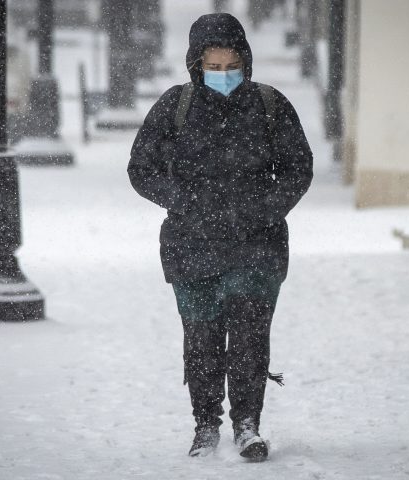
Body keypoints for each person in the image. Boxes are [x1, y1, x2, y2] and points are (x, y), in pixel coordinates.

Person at [128, 12, 312, 461]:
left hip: (257, 247)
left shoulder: (270, 105)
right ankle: (205, 425)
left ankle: (247, 424)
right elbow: (141, 169)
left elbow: (297, 168)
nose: (224, 73)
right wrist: (185, 201)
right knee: (202, 339)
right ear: (196, 65)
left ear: (245, 62)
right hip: (192, 247)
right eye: (214, 65)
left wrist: (264, 208)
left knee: (250, 338)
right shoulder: (175, 107)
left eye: (231, 63)